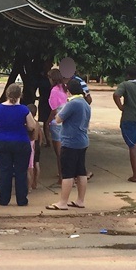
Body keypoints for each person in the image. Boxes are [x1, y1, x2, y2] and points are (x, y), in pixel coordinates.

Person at [0, 83, 37, 206]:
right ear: (20, 94)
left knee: (4, 171)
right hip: (21, 142)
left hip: (3, 141)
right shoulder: (24, 110)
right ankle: (21, 200)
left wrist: (1, 127)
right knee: (21, 171)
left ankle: (3, 199)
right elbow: (31, 126)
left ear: (7, 94)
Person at [46, 78, 92, 210]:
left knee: (68, 173)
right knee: (81, 171)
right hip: (82, 140)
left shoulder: (73, 103)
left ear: (69, 90)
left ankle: (62, 202)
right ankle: (80, 200)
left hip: (70, 141)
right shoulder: (85, 103)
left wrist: (58, 113)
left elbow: (59, 119)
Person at [47, 68, 68, 184]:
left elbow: (54, 110)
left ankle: (62, 177)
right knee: (66, 151)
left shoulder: (54, 91)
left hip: (57, 123)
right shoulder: (65, 88)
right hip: (66, 123)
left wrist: (47, 122)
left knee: (59, 153)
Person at [27, 103, 43, 191]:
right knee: (36, 164)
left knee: (30, 166)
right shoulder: (37, 123)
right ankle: (35, 183)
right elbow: (41, 135)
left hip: (31, 143)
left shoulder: (29, 124)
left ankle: (29, 185)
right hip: (36, 143)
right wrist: (39, 144)